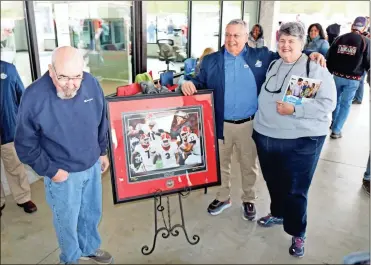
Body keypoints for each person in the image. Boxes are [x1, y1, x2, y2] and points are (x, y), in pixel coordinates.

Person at [180, 19, 325, 220]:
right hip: (219, 124)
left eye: (236, 35)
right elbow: (196, 80)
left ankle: (249, 198)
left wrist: (312, 54)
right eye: (228, 35)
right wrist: (185, 82)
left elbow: (288, 54)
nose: (231, 40)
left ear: (246, 37)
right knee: (221, 164)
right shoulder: (211, 60)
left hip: (250, 123)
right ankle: (223, 197)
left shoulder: (262, 56)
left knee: (249, 165)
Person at [14, 46, 112, 265]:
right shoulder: (34, 96)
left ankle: (89, 248)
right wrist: (52, 171)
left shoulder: (91, 84)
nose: (71, 84)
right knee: (66, 221)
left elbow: (101, 121)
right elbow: (24, 144)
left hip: (92, 166)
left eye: (77, 77)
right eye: (64, 77)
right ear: (51, 70)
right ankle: (70, 259)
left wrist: (102, 152)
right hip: (63, 173)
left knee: (91, 214)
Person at [252, 21, 336, 258]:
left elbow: (328, 104)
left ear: (302, 43)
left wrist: (295, 110)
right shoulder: (274, 64)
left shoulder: (314, 69)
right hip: (267, 136)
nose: (286, 45)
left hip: (302, 139)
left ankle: (298, 232)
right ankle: (278, 213)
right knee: (274, 182)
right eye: (282, 40)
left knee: (296, 190)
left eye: (291, 41)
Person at [0, 60, 37, 216]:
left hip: (8, 127)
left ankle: (23, 197)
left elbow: (21, 95)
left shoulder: (8, 69)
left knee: (15, 165)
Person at [326, 16, 370, 139]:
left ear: (352, 25)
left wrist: (330, 72)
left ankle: (334, 122)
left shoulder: (340, 39)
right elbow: (368, 62)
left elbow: (330, 57)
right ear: (364, 27)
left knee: (336, 100)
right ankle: (336, 130)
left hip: (337, 76)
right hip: (353, 79)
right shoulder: (366, 41)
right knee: (346, 104)